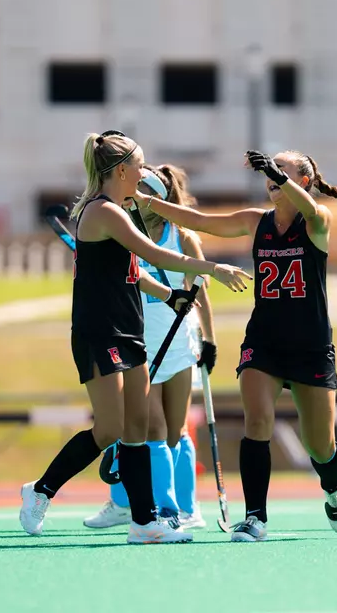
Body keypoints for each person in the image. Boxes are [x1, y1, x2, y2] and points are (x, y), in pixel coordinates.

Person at [131, 148, 337, 541]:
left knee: (320, 445)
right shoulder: (257, 221)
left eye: (282, 170)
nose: (272, 176)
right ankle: (255, 517)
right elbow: (200, 221)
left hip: (310, 345)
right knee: (257, 422)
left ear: (303, 181)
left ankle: (333, 488)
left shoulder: (317, 219)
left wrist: (278, 174)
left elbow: (312, 209)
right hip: (264, 341)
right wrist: (143, 199)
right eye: (270, 169)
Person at [19, 131, 251, 544]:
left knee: (136, 428)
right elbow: (153, 254)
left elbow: (133, 271)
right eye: (140, 166)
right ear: (122, 170)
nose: (144, 174)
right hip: (99, 331)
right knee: (110, 428)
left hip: (129, 329)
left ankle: (144, 522)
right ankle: (41, 490)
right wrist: (212, 268)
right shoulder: (104, 212)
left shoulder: (120, 210)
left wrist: (169, 294)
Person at [84, 165, 216, 531]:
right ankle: (154, 506)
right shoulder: (122, 230)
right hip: (138, 342)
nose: (136, 196)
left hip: (177, 343)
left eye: (146, 191)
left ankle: (187, 508)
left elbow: (200, 292)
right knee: (149, 427)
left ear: (159, 198)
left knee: (175, 431)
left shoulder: (182, 236)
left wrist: (209, 339)